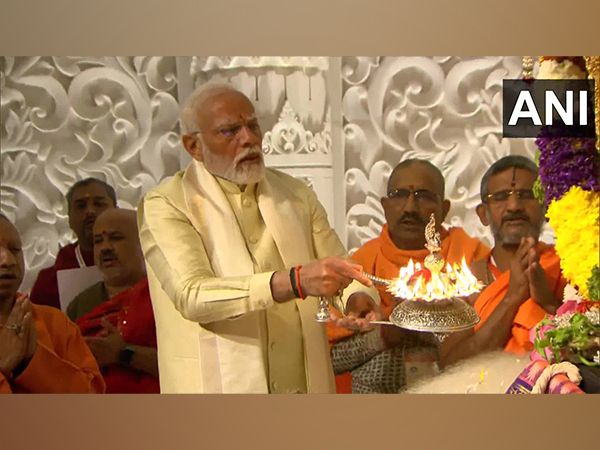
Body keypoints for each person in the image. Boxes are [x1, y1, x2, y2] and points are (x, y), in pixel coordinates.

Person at [137, 83, 379, 393]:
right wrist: (294, 282)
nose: (248, 139)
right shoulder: (166, 204)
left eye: (252, 126)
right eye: (229, 131)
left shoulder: (294, 193)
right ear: (193, 146)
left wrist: (357, 298)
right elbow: (192, 295)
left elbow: (341, 265)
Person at [328, 159, 491, 393]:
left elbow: (492, 343)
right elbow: (331, 361)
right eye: (399, 195)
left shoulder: (470, 257)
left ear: (444, 209)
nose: (410, 208)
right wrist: (387, 332)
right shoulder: (360, 266)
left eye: (424, 196)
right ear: (384, 206)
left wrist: (421, 322)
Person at [439, 155, 566, 367]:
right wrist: (512, 297)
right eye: (500, 197)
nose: (514, 206)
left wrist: (547, 302)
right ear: (483, 214)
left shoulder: (568, 266)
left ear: (547, 209)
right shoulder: (463, 281)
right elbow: (451, 365)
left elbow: (589, 349)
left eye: (526, 195)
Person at [0, 213, 105, 394]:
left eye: (15, 249)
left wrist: (33, 358)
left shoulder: (54, 322)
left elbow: (93, 399)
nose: (8, 261)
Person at [67, 209, 159, 393]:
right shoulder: (81, 304)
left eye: (116, 238)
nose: (105, 247)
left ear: (143, 244)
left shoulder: (162, 297)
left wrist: (123, 354)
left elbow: (186, 364)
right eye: (98, 241)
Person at [30, 178, 117, 310]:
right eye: (81, 206)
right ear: (70, 218)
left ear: (116, 211)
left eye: (99, 204)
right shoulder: (49, 281)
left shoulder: (139, 263)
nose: (90, 211)